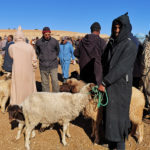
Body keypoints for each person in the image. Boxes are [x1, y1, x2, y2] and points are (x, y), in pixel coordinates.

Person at [99, 13, 137, 150]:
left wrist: (104, 82)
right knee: (109, 119)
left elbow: (121, 67)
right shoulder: (112, 43)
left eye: (119, 28)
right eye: (114, 27)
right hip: (110, 88)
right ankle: (111, 146)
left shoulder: (130, 45)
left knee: (120, 121)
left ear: (125, 28)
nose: (116, 30)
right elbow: (104, 62)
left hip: (120, 89)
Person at [9, 26, 37, 105]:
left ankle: (17, 105)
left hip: (17, 71)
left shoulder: (12, 47)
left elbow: (11, 56)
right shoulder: (30, 47)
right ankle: (29, 105)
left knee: (17, 89)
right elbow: (34, 61)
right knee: (28, 89)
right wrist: (33, 69)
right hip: (28, 72)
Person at [74, 22, 106, 86]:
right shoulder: (101, 42)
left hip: (84, 72)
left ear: (91, 30)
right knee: (95, 93)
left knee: (85, 93)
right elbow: (106, 57)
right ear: (99, 31)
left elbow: (76, 53)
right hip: (96, 74)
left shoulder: (82, 41)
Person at [35, 27, 60, 92]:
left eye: (49, 34)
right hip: (43, 65)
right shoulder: (38, 42)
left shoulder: (54, 41)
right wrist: (41, 57)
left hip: (53, 65)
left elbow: (57, 50)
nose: (47, 36)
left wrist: (54, 57)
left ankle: (56, 97)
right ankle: (46, 98)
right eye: (46, 35)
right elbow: (37, 52)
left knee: (55, 81)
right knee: (44, 83)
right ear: (43, 34)